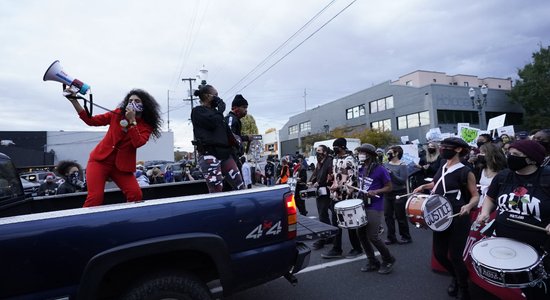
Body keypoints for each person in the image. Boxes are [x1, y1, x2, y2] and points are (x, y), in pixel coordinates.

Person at [476, 140, 550, 299]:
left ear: (531, 159)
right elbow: (490, 198)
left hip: (539, 248)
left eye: (516, 155)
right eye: (509, 153)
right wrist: (485, 212)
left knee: (537, 292)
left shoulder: (547, 177)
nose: (510, 157)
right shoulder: (503, 176)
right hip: (504, 242)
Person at [66, 89, 162, 207]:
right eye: (130, 100)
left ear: (145, 105)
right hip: (100, 161)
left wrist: (132, 121)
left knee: (136, 195)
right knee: (95, 199)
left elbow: (138, 142)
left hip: (121, 167)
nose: (132, 103)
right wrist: (74, 101)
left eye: (137, 101)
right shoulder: (117, 114)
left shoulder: (146, 126)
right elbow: (91, 121)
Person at [413, 137, 479, 299]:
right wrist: (423, 186)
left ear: (457, 149)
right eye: (441, 146)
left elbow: (475, 195)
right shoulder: (443, 165)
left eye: (445, 146)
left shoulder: (466, 171)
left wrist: (469, 206)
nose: (442, 149)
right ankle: (456, 277)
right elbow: (437, 182)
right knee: (440, 254)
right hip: (440, 214)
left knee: (456, 256)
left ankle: (463, 287)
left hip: (458, 216)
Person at [191, 84, 244, 193]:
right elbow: (212, 123)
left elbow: (226, 133)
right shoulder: (197, 111)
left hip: (225, 153)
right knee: (216, 190)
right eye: (215, 95)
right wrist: (220, 111)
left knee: (239, 185)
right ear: (207, 96)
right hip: (209, 154)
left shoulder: (217, 113)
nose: (218, 98)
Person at [354, 143, 396, 274]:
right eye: (359, 152)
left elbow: (389, 187)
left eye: (363, 152)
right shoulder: (361, 168)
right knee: (360, 234)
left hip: (375, 205)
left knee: (372, 235)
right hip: (362, 203)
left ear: (370, 155)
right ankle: (372, 261)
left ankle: (388, 259)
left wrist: (376, 190)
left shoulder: (380, 169)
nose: (360, 155)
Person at [322, 138, 363, 259]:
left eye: (336, 147)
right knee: (335, 224)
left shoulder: (350, 160)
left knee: (349, 224)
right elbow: (337, 176)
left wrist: (339, 188)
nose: (334, 149)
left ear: (342, 147)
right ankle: (336, 248)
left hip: (348, 197)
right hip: (335, 196)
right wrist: (331, 181)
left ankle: (357, 248)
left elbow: (353, 180)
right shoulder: (335, 159)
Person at [383, 145, 411, 245]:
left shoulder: (402, 165)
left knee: (400, 216)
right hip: (387, 193)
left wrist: (391, 174)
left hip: (399, 193)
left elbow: (402, 180)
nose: (388, 154)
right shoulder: (385, 164)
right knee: (387, 216)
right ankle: (391, 237)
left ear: (396, 153)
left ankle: (405, 236)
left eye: (390, 152)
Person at [307, 145, 334, 250]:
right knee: (323, 214)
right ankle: (329, 236)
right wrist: (311, 181)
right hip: (320, 191)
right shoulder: (320, 161)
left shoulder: (329, 161)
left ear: (325, 152)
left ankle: (324, 237)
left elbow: (326, 175)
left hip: (327, 191)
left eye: (319, 151)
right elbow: (316, 173)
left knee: (323, 215)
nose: (317, 152)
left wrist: (318, 182)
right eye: (316, 151)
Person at [225, 94, 250, 168]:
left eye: (246, 108)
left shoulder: (235, 120)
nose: (246, 110)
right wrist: (246, 138)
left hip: (234, 156)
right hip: (230, 156)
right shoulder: (231, 119)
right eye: (244, 107)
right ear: (235, 108)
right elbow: (230, 136)